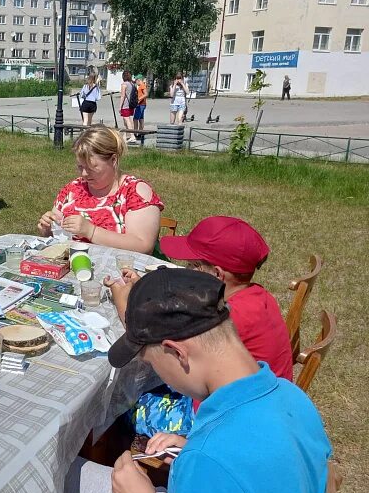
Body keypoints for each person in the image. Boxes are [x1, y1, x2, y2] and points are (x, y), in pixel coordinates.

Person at [63, 268, 332, 493]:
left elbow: (221, 466)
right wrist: (192, 448)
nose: (156, 372)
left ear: (177, 352)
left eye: (151, 361)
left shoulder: (208, 461)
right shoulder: (292, 396)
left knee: (60, 479)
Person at [159, 216, 293, 381]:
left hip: (232, 403)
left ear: (216, 274)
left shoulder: (227, 318)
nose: (186, 271)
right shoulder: (258, 295)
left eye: (193, 265)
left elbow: (173, 356)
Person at [37, 126, 164, 254]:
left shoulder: (134, 192)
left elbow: (143, 246)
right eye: (80, 167)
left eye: (91, 167)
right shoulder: (73, 189)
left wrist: (91, 231)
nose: (84, 174)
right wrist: (48, 229)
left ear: (113, 160)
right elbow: (56, 236)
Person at [119, 71, 137, 142]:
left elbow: (122, 96)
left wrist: (120, 107)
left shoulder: (124, 84)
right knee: (127, 121)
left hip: (126, 105)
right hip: (131, 105)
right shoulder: (132, 84)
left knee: (127, 120)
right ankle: (125, 136)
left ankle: (132, 136)